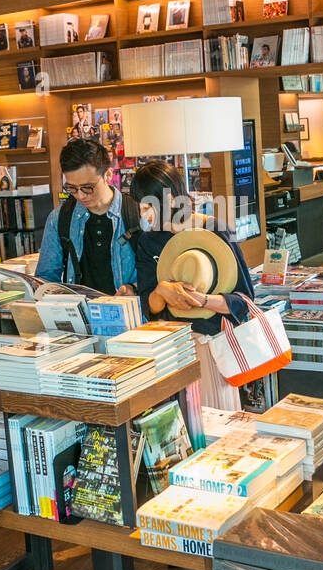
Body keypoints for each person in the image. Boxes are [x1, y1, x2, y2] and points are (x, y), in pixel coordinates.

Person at [130, 159, 255, 411]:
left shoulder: (215, 230)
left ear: (172, 199)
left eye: (148, 207)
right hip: (168, 349)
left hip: (213, 347)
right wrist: (162, 290)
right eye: (141, 208)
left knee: (216, 430)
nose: (144, 215)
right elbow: (148, 305)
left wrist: (202, 301)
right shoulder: (148, 241)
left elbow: (244, 301)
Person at [36, 138, 138, 293]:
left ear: (108, 175)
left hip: (128, 314)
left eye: (88, 187)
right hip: (78, 314)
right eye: (72, 188)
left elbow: (157, 273)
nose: (80, 195)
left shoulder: (136, 213)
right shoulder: (59, 219)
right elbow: (46, 278)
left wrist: (134, 288)